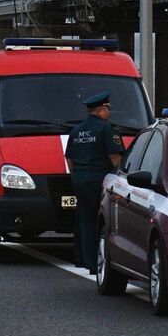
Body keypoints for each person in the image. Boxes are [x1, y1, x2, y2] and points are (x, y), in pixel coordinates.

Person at [64, 91, 124, 273]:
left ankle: (87, 261)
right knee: (103, 221)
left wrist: (77, 175)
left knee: (85, 221)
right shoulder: (106, 129)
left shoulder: (76, 130)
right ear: (101, 110)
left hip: (80, 180)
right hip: (100, 180)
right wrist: (120, 175)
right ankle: (102, 262)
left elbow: (69, 159)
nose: (109, 113)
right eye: (107, 109)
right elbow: (114, 156)